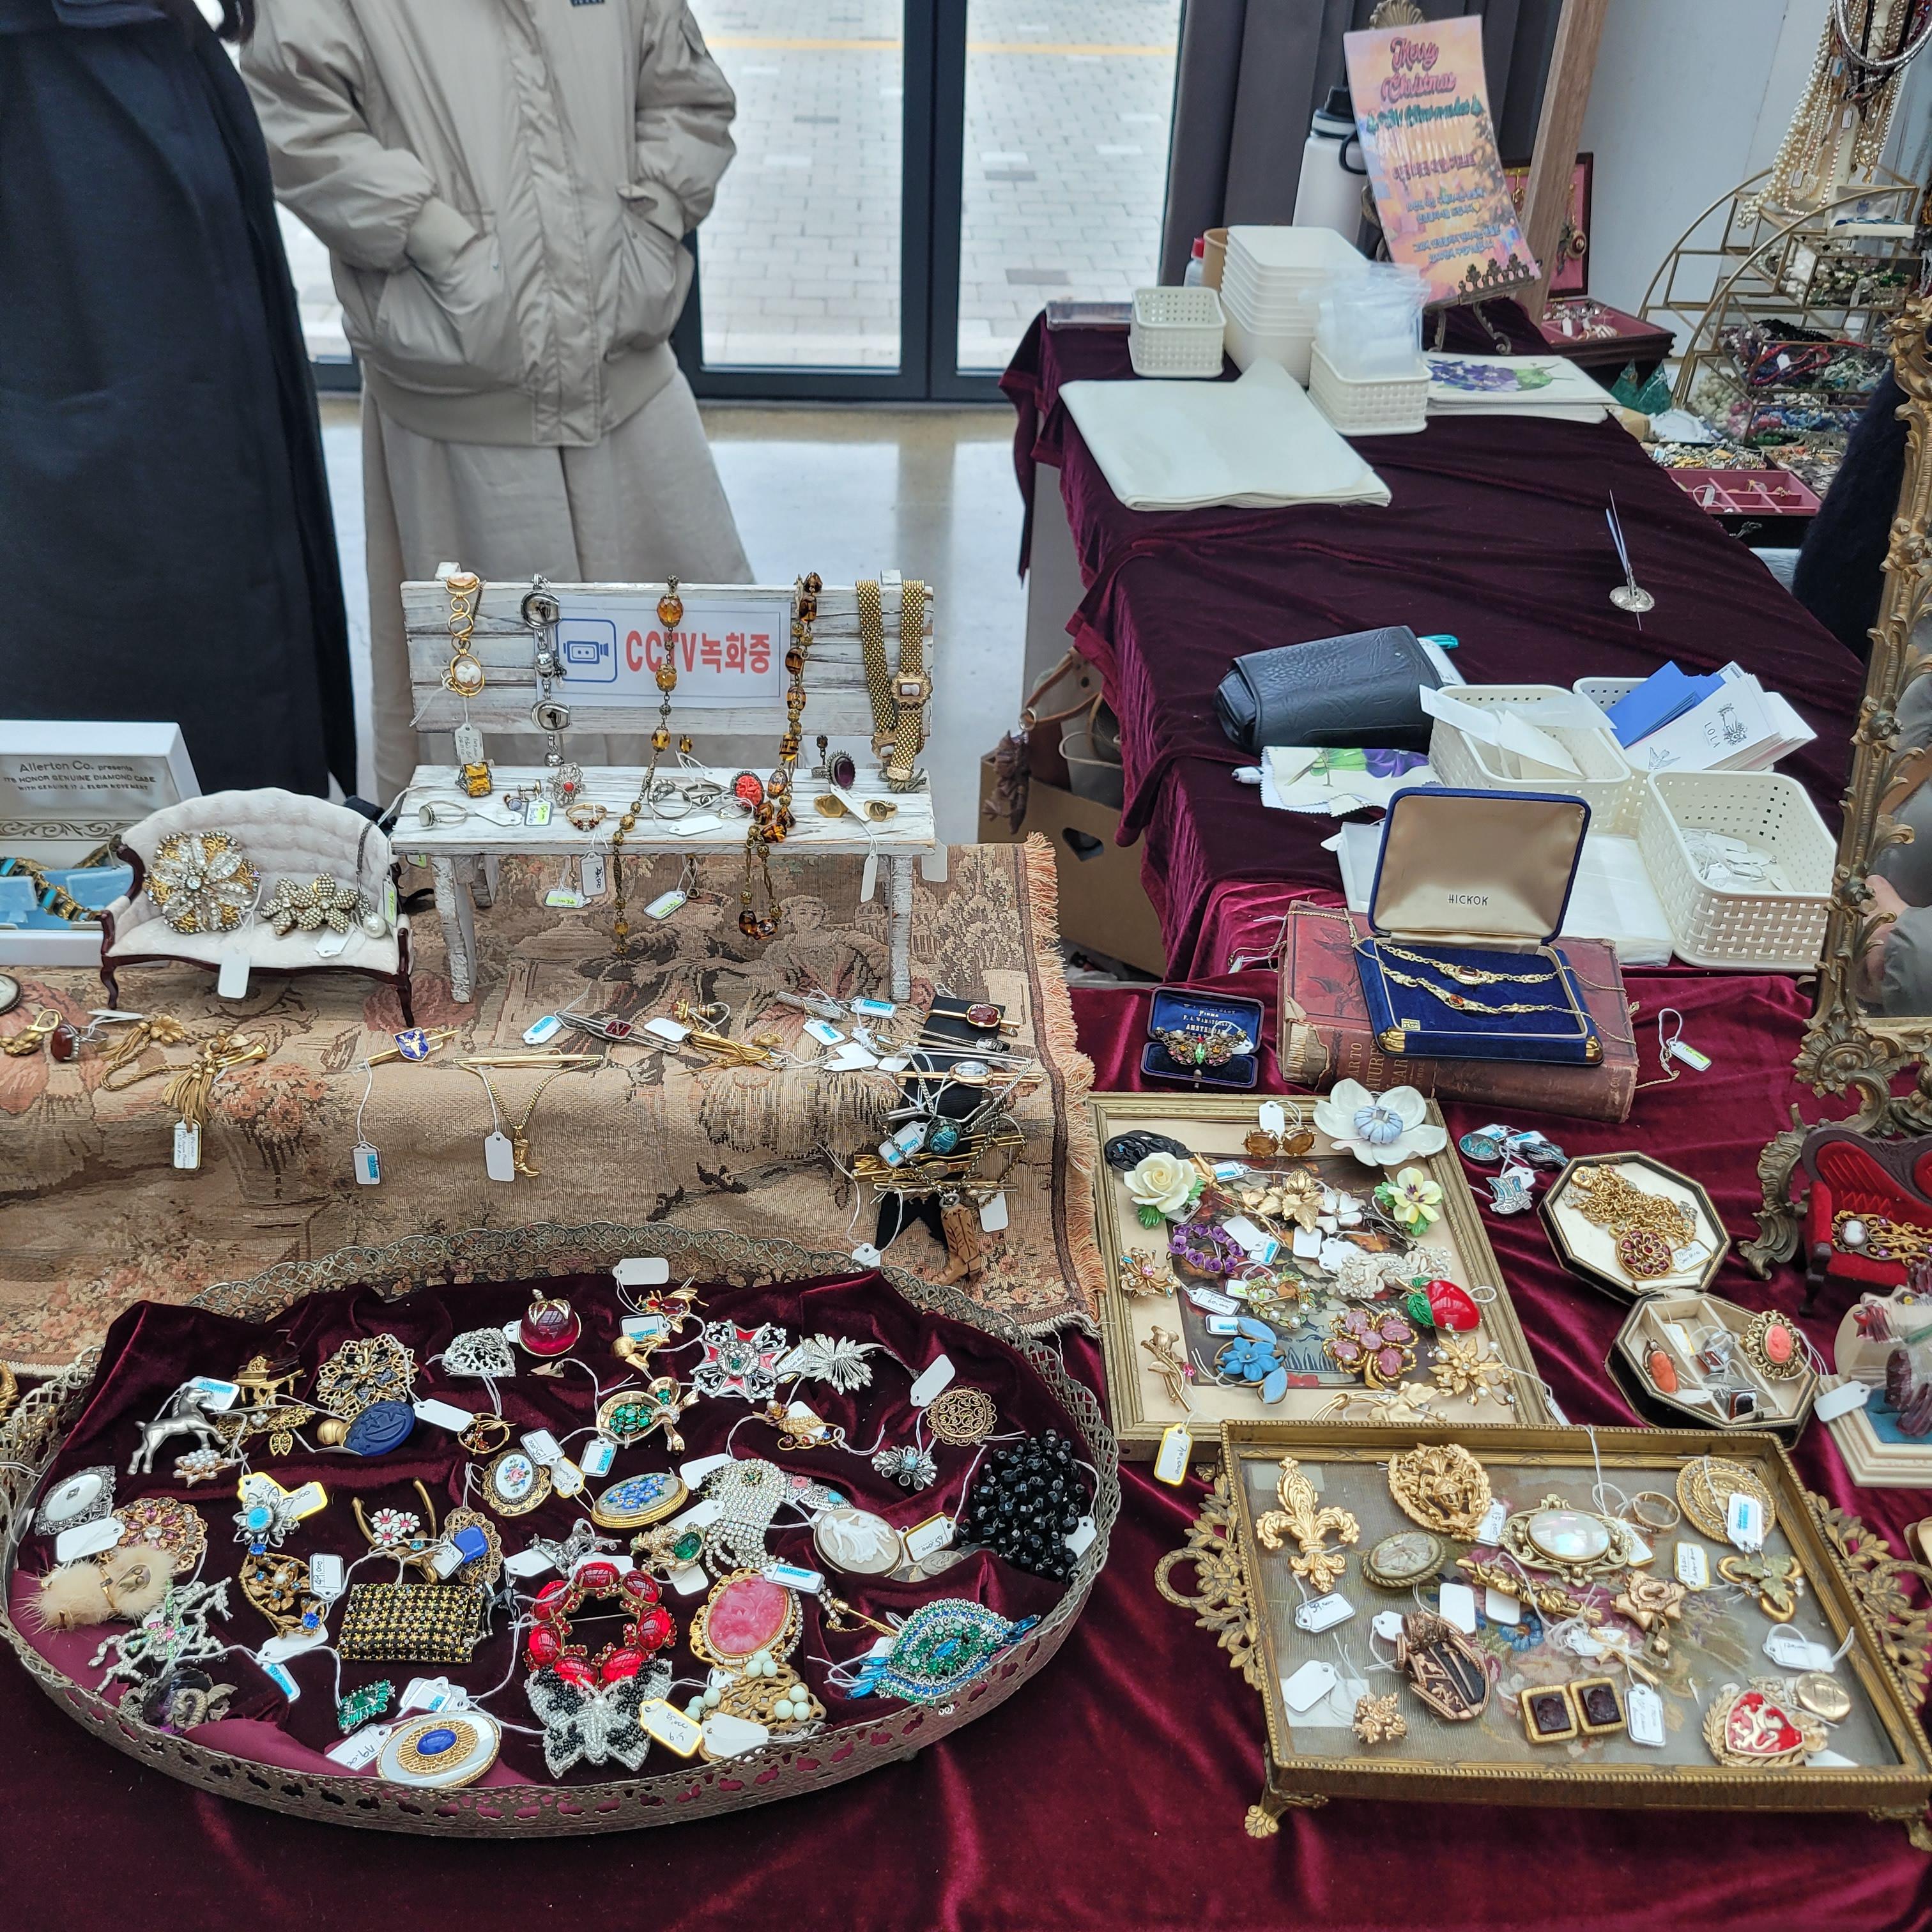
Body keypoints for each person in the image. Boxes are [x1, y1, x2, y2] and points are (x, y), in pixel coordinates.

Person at [242, 0, 755, 803]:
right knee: (505, 733)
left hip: (629, 382)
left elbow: (687, 94)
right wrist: (432, 235)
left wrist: (650, 224)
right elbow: (289, 109)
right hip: (460, 396)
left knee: (696, 703)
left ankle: (712, 866)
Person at [0, 0, 353, 799]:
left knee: (215, 498)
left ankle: (231, 835)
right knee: (123, 551)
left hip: (137, 70)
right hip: (62, 92)